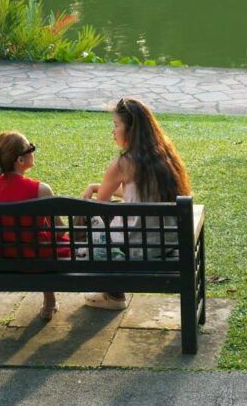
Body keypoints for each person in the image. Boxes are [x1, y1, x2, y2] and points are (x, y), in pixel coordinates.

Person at [81, 97, 192, 310]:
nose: (112, 131)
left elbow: (99, 205)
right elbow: (142, 194)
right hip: (166, 242)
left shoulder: (123, 163)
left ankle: (113, 293)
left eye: (115, 125)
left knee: (92, 219)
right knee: (118, 217)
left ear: (130, 130)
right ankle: (113, 291)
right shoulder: (164, 157)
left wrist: (95, 191)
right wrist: (96, 185)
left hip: (138, 248)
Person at [0, 131, 68, 321]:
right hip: (36, 261)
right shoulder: (41, 190)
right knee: (45, 244)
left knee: (36, 243)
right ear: (20, 160)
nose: (33, 150)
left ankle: (50, 302)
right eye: (30, 148)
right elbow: (61, 230)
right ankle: (49, 302)